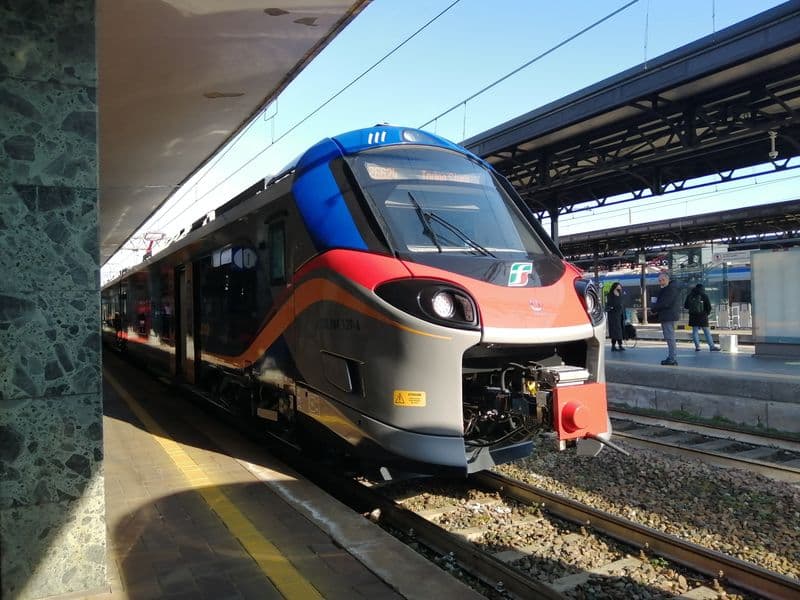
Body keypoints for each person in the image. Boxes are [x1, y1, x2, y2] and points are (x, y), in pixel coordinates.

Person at [651, 271, 681, 366]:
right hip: (668, 316)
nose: (661, 282)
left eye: (662, 280)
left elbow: (665, 303)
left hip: (669, 316)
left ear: (668, 279)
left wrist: (654, 308)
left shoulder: (670, 289)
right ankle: (671, 357)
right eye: (659, 280)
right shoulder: (670, 288)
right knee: (669, 337)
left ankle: (672, 358)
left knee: (670, 337)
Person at [684, 283, 721, 352]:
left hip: (693, 316)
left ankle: (697, 347)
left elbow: (686, 306)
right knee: (706, 332)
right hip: (702, 316)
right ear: (702, 288)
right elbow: (709, 307)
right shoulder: (704, 295)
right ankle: (711, 346)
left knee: (695, 332)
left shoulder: (690, 295)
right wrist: (706, 314)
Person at [606, 282, 626, 351]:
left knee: (620, 331)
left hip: (620, 315)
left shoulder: (621, 294)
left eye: (620, 286)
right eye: (619, 286)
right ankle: (613, 346)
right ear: (615, 287)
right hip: (613, 316)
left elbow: (623, 305)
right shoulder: (610, 295)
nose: (620, 287)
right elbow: (609, 304)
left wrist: (625, 316)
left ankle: (620, 345)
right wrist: (612, 307)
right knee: (615, 331)